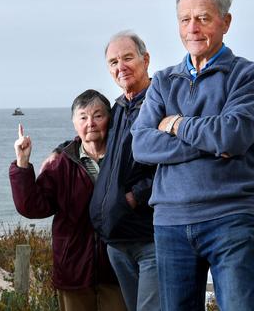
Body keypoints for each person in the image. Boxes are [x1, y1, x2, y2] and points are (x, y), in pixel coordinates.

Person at [131, 0, 254, 311]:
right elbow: (142, 144)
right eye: (185, 19)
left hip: (230, 218)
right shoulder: (164, 81)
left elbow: (234, 135)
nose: (192, 28)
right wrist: (211, 140)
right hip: (170, 222)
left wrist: (176, 124)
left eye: (203, 18)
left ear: (226, 22)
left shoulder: (249, 76)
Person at [44, 31, 159, 311]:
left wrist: (134, 197)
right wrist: (62, 152)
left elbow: (172, 164)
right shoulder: (119, 108)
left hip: (149, 237)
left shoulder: (161, 100)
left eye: (128, 58)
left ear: (146, 60)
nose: (121, 67)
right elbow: (93, 135)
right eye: (113, 62)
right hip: (118, 242)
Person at [9, 89, 126, 311]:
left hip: (118, 270)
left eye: (98, 115)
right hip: (73, 270)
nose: (90, 123)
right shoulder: (61, 164)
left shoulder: (123, 157)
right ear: (74, 123)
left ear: (109, 119)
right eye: (83, 117)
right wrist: (22, 164)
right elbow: (33, 207)